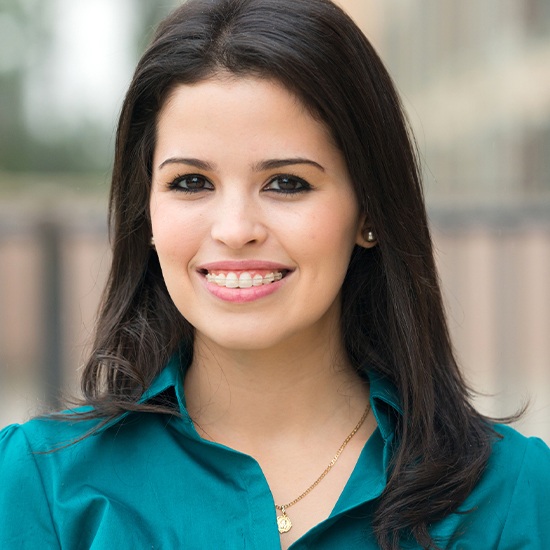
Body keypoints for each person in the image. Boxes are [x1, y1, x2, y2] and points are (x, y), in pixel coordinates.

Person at [1, 0, 549, 548]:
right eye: (191, 182)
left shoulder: (512, 493)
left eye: (287, 183)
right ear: (146, 213)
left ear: (369, 212)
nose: (236, 229)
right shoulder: (39, 486)